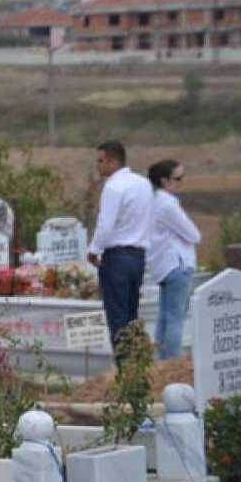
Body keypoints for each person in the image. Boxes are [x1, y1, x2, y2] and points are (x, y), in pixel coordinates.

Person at [87, 141, 153, 360]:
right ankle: (138, 364)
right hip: (138, 256)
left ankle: (125, 370)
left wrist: (94, 249)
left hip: (117, 257)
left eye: (101, 161)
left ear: (113, 161)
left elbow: (106, 224)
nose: (98, 166)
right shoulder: (143, 184)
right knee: (132, 315)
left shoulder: (114, 186)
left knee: (118, 318)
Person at [147, 160, 200, 360]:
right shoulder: (168, 204)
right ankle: (173, 363)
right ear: (164, 180)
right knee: (175, 319)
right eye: (178, 178)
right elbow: (194, 235)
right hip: (177, 265)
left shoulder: (155, 201)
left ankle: (162, 361)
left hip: (164, 266)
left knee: (164, 318)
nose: (182, 182)